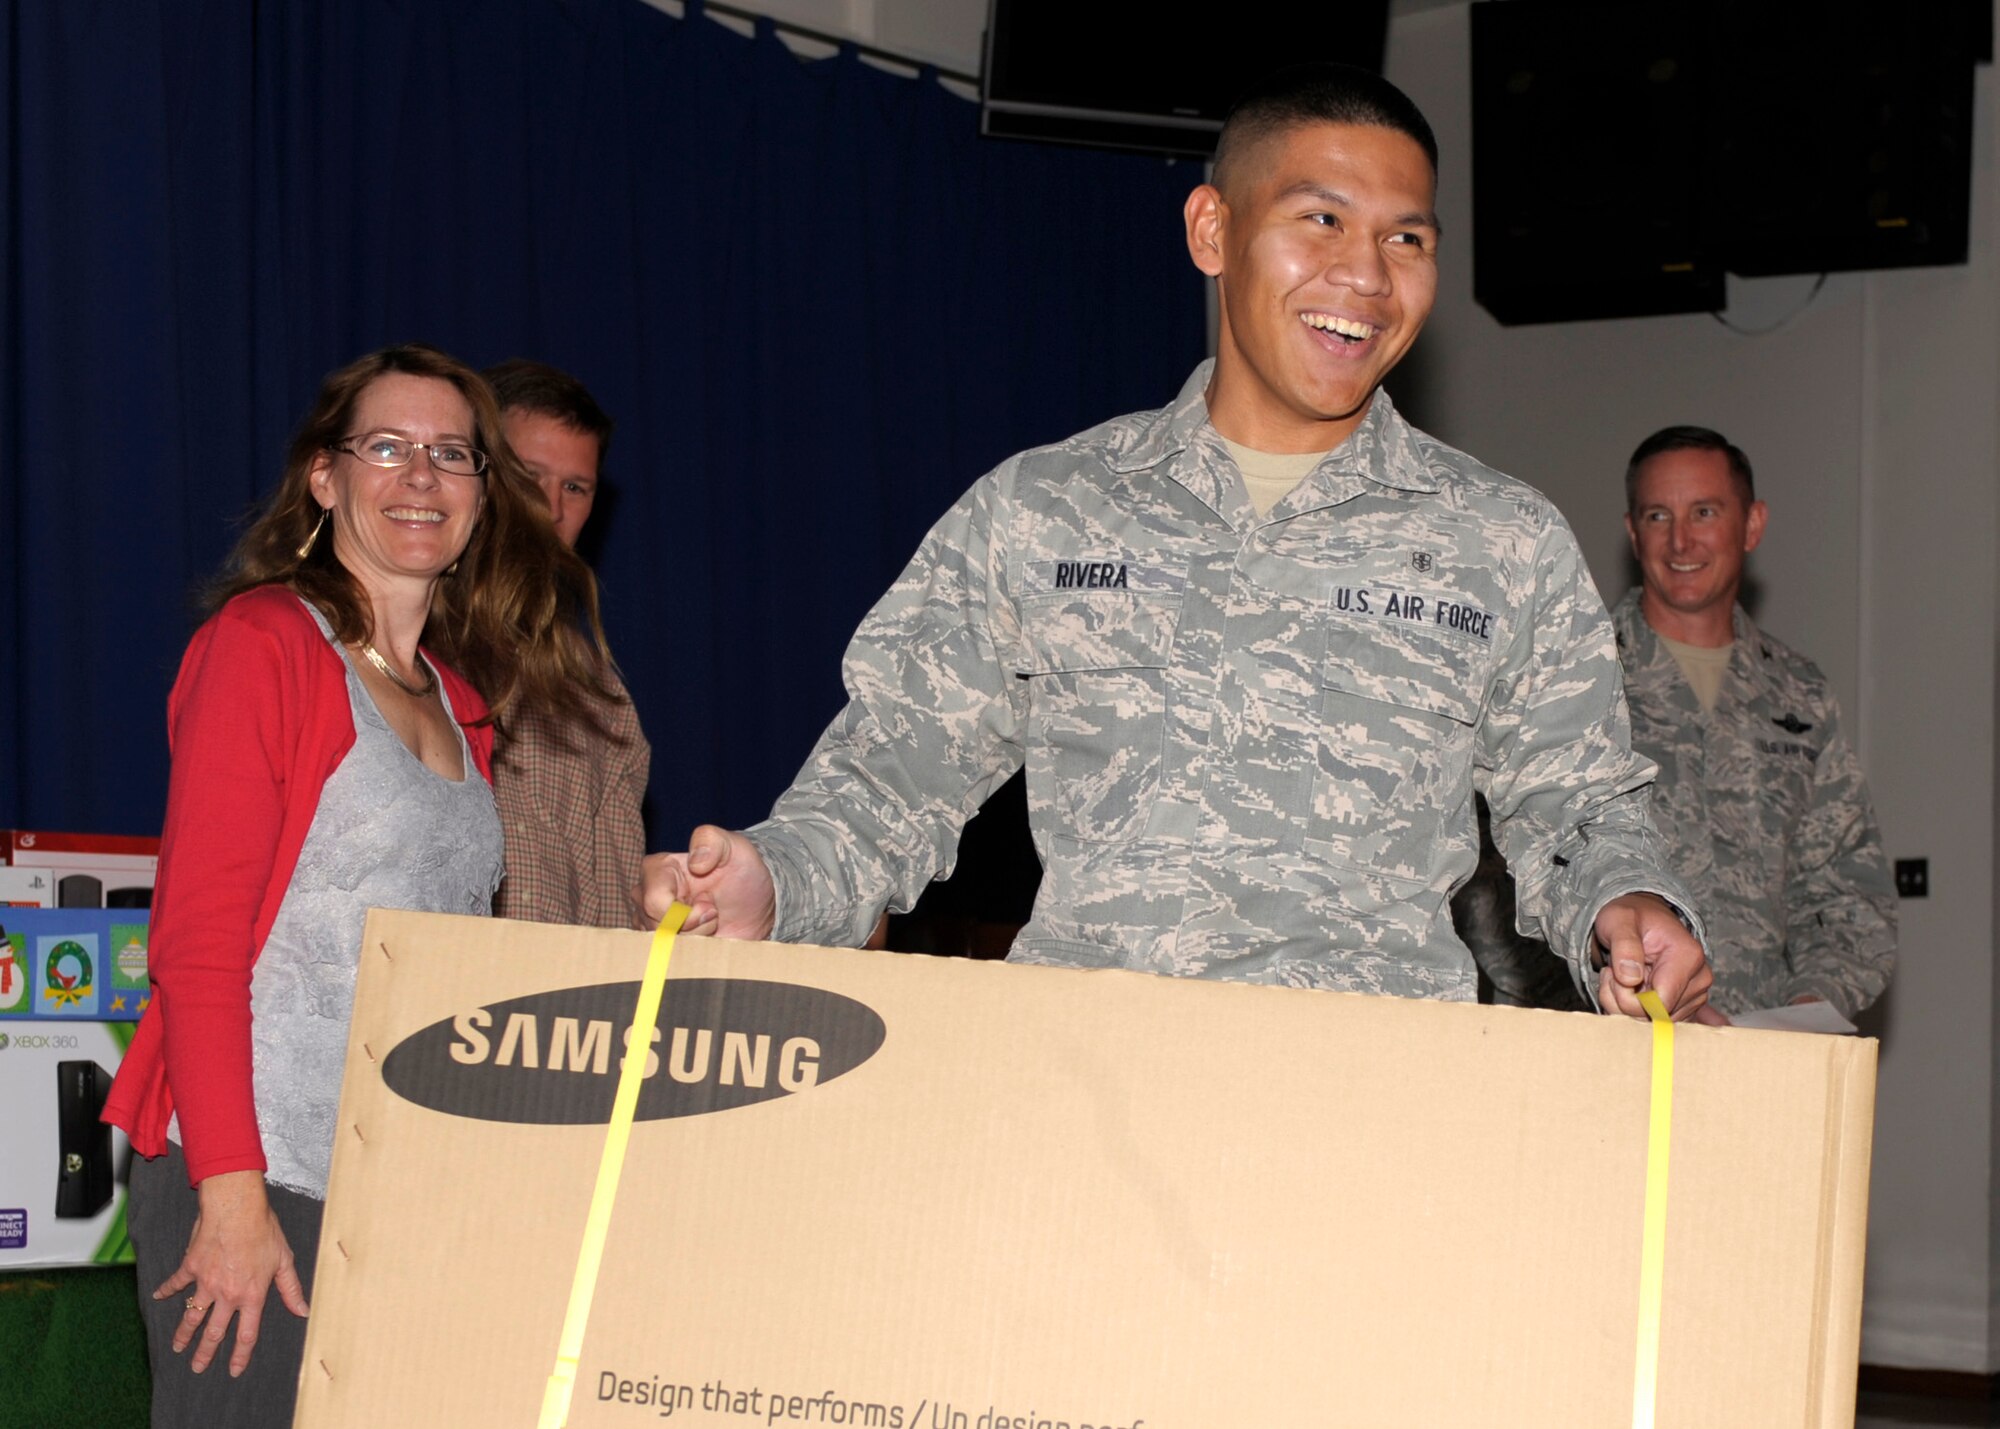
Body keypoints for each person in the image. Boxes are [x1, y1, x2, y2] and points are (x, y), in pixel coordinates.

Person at [642, 64, 1715, 1021]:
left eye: (1406, 238)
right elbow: (885, 783)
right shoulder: (1044, 508)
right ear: (1212, 231)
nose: (1367, 277)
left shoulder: (1501, 538)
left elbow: (1576, 802)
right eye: (1320, 221)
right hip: (1083, 1086)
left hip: (1374, 1096)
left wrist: (1625, 907)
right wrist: (773, 881)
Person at [102, 344, 614, 1426]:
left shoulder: (463, 697)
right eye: (386, 447)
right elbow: (195, 945)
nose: (420, 477)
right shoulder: (266, 644)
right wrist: (231, 1196)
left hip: (399, 1191)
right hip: (258, 1175)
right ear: (325, 478)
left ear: (483, 497)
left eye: (450, 455)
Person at [1616, 425, 1897, 1019]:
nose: (1681, 540)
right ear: (1632, 533)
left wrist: (1805, 1009)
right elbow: (1506, 888)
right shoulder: (1574, 677)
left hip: (1763, 1060)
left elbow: (1846, 891)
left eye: (1705, 512)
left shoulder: (1799, 693)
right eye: (1659, 515)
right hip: (1607, 1052)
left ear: (1751, 525)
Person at [483, 358, 652, 929]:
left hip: (565, 1010)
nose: (551, 509)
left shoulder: (597, 690)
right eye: (529, 476)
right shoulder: (402, 649)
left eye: (575, 487)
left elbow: (618, 894)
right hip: (435, 1002)